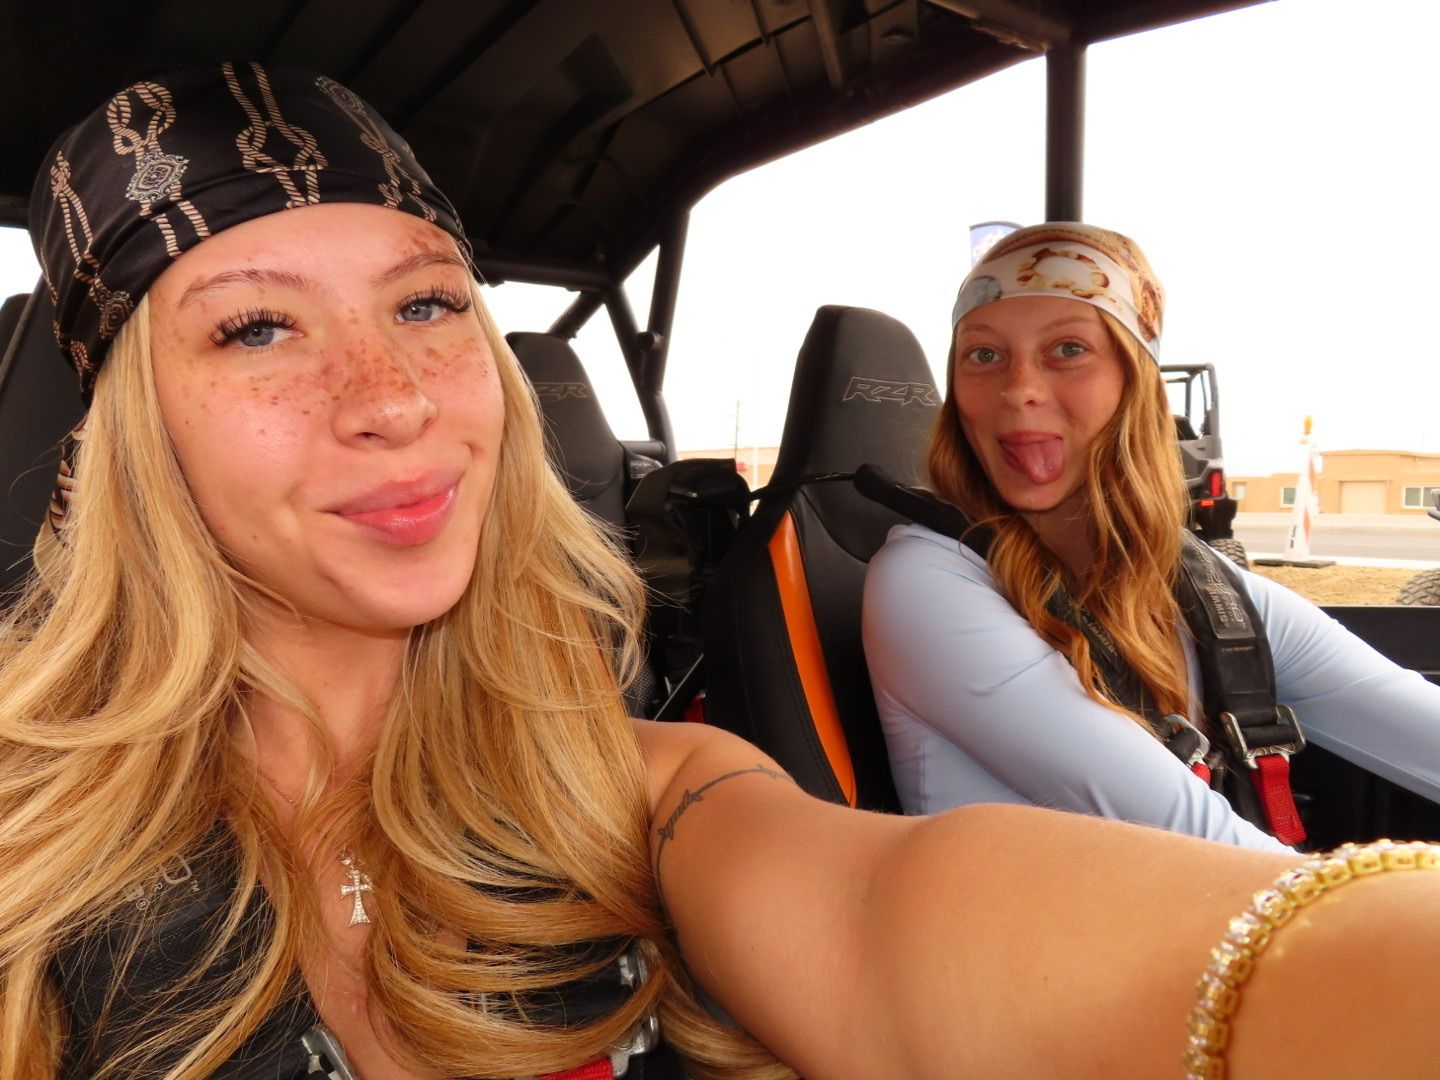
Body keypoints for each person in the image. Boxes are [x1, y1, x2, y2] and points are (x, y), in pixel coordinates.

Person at [2, 68, 1440, 1080]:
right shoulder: (27, 847)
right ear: (127, 432)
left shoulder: (652, 794)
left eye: (431, 302)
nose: (391, 395)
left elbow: (892, 925)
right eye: (255, 328)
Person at [863, 223, 1440, 853]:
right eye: (983, 354)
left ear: (1132, 382)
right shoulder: (926, 583)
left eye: (1067, 350)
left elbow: (1404, 718)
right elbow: (1203, 843)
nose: (1019, 388)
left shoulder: (1202, 589)